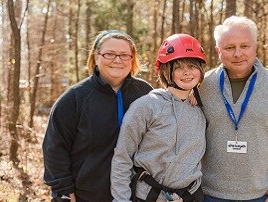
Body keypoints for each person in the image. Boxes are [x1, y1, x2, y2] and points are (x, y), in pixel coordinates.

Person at [199, 16, 268, 202]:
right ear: (218, 51)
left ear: (255, 47)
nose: (237, 53)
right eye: (229, 47)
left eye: (245, 46)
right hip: (207, 194)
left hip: (261, 195)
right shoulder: (201, 86)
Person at [42, 30, 153, 202]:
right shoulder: (74, 98)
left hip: (138, 195)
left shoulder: (146, 94)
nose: (117, 60)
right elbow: (54, 148)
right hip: (87, 195)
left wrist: (191, 96)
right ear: (96, 56)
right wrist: (64, 192)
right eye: (109, 54)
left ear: (133, 59)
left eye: (124, 55)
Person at [110, 33, 207, 202]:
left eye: (192, 66)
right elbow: (122, 157)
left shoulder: (201, 108)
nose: (187, 73)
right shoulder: (146, 106)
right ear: (166, 71)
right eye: (178, 67)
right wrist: (121, 199)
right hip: (149, 196)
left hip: (191, 196)